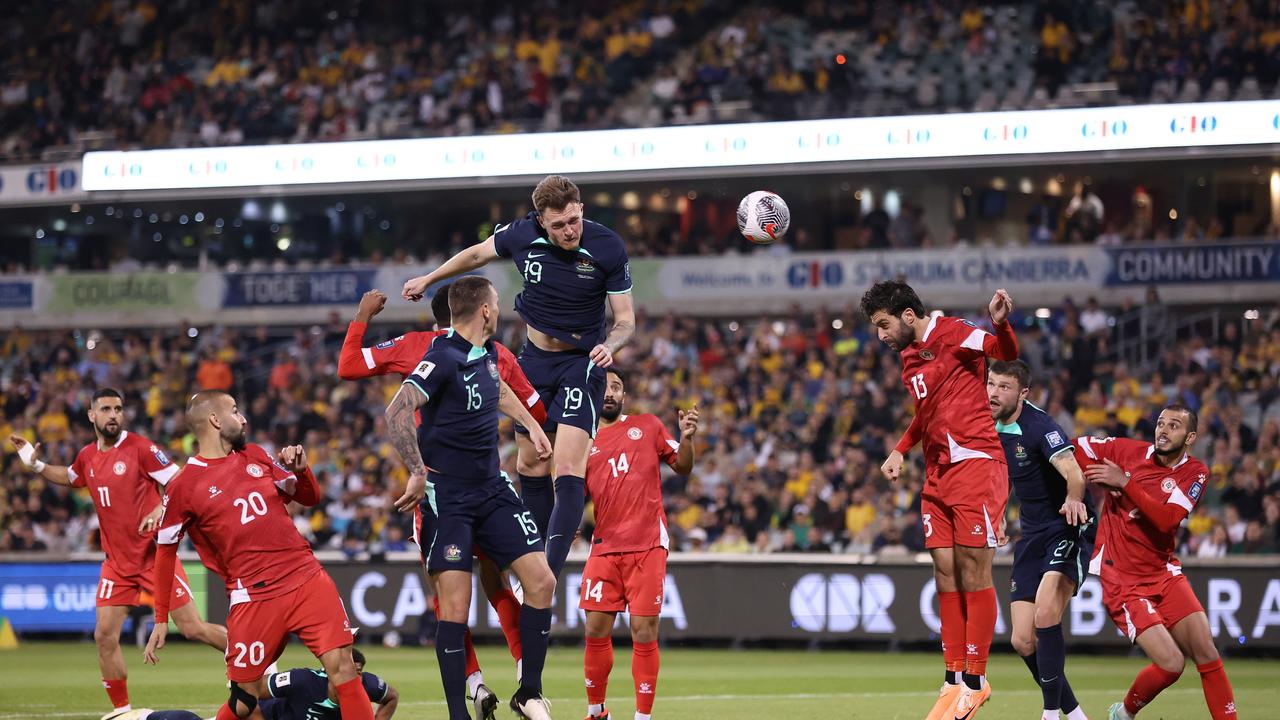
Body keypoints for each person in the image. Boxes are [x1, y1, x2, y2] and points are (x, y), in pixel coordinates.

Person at [401, 174, 635, 579]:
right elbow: (476, 255)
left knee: (567, 466)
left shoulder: (607, 246)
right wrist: (428, 279)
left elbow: (626, 321)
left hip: (582, 363)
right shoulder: (521, 234)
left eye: (574, 220)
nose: (569, 231)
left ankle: (545, 576)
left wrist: (609, 346)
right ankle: (536, 558)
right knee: (530, 465)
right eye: (558, 224)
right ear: (541, 221)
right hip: (533, 362)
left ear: (581, 209)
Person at [337, 285, 547, 717]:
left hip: (487, 488)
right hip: (443, 491)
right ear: (484, 310)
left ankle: (504, 686)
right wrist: (418, 470)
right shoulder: (445, 355)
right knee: (483, 590)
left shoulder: (443, 348)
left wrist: (362, 317)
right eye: (496, 303)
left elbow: (350, 365)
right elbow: (397, 410)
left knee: (523, 584)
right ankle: (480, 694)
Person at [144, 391, 373, 720]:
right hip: (253, 595)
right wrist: (161, 619)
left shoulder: (255, 455)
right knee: (244, 700)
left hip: (305, 577)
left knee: (344, 669)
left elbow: (309, 497)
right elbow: (165, 552)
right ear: (215, 420)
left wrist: (303, 471)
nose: (243, 419)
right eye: (235, 411)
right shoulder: (184, 486)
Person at [8, 389, 228, 720]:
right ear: (91, 415)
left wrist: (158, 507)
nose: (113, 414)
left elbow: (180, 482)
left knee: (193, 628)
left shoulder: (141, 448)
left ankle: (257, 660)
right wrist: (36, 465)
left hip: (154, 558)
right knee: (104, 636)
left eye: (118, 409)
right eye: (106, 409)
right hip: (117, 565)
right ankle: (122, 711)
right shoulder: (87, 456)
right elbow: (69, 477)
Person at [864, 280, 1018, 720]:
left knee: (974, 567)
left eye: (883, 325)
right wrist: (901, 448)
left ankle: (976, 680)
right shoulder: (909, 358)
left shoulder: (954, 333)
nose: (881, 336)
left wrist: (1001, 324)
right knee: (945, 571)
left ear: (908, 316)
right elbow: (926, 414)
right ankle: (953, 678)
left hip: (975, 464)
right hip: (937, 472)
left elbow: (1003, 352)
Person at [1074, 406, 1239, 720]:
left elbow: (1167, 519)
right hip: (1122, 577)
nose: (1163, 430)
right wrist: (1079, 483)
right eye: (1161, 423)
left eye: (1174, 426)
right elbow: (1069, 447)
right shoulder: (1125, 451)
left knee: (1207, 652)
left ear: (1190, 437)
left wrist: (1124, 482)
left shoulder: (1196, 472)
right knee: (1172, 664)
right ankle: (1123, 714)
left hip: (1163, 572)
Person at [580, 369, 699, 720]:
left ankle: (642, 717)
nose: (610, 392)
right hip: (603, 547)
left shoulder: (647, 425)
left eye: (617, 387)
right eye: (604, 386)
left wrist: (688, 437)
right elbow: (572, 494)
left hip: (647, 545)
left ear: (624, 396)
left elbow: (684, 466)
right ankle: (596, 711)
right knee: (594, 629)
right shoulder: (583, 442)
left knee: (643, 631)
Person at [987, 360, 1092, 720]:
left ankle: (1049, 714)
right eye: (991, 384)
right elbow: (1001, 475)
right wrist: (999, 514)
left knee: (1046, 612)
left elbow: (1074, 474)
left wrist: (1074, 498)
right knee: (1021, 640)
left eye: (1004, 387)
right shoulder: (989, 425)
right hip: (1031, 532)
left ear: (1022, 393)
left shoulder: (1040, 426)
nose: (994, 393)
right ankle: (1075, 714)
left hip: (1066, 524)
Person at [113, 649, 398, 720]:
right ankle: (144, 716)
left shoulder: (368, 687)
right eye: (348, 669)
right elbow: (254, 691)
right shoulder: (302, 680)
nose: (353, 677)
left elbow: (392, 697)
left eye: (357, 672)